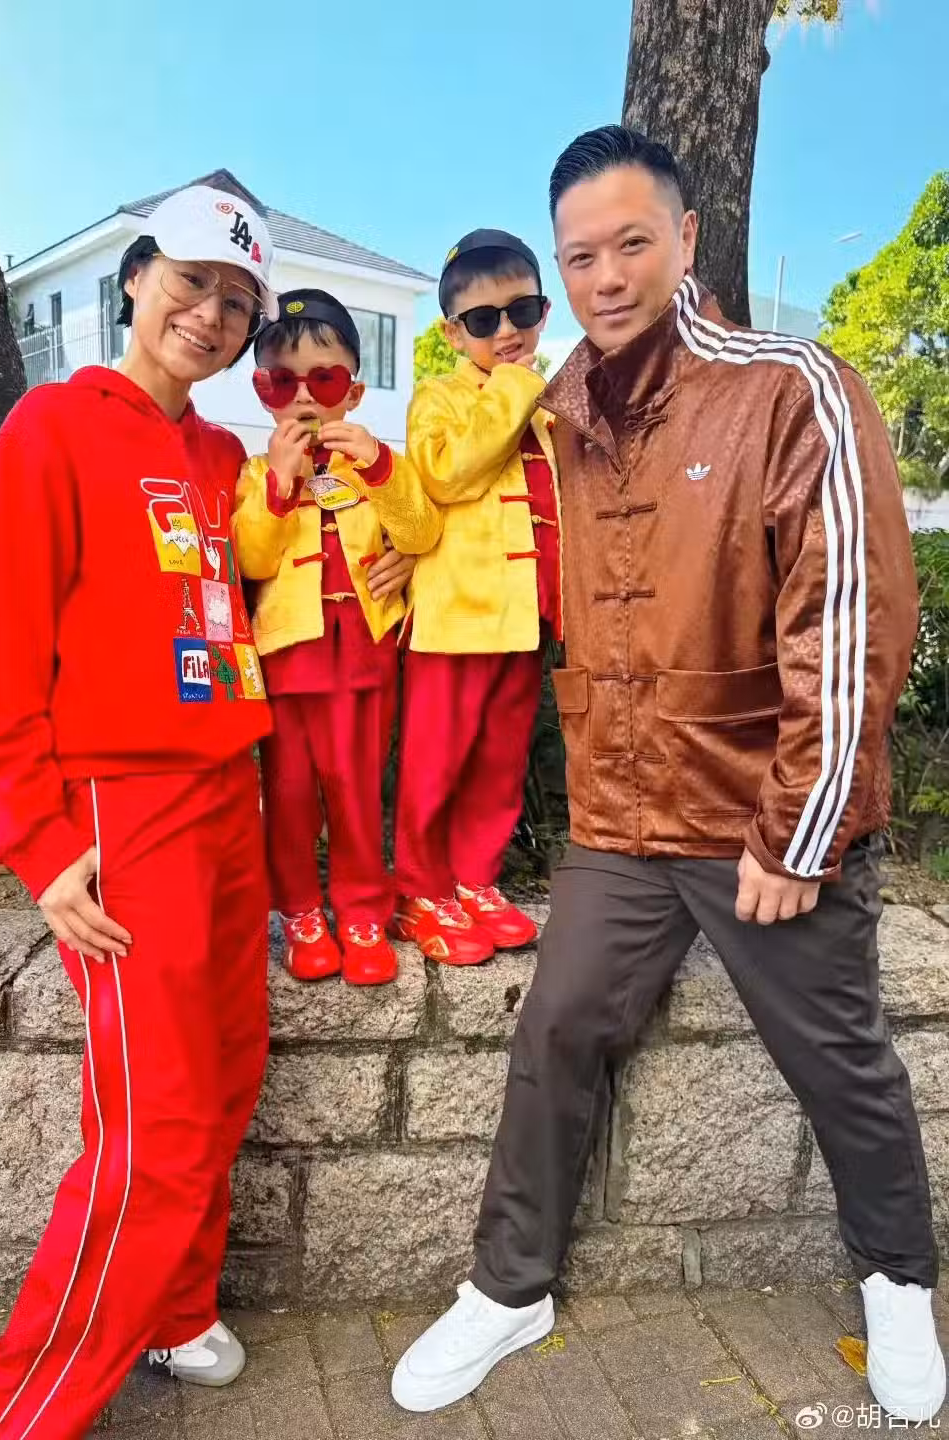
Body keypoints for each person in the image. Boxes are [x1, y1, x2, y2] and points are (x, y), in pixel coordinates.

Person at [393, 127, 945, 1426]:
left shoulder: (789, 385)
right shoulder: (561, 408)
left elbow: (851, 619)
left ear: (687, 239)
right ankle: (508, 1287)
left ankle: (898, 1279)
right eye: (580, 256)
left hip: (762, 817)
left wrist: (800, 832)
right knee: (557, 1030)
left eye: (632, 243)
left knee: (838, 1054)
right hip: (622, 816)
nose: (606, 277)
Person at [0, 185, 280, 1440]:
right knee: (155, 1125)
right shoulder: (52, 427)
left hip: (228, 794)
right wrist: (39, 841)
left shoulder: (222, 458)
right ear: (137, 277)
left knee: (226, 1074)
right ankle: (17, 1413)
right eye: (192, 282)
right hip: (124, 806)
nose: (211, 314)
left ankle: (174, 1310)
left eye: (238, 302)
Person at [235, 289, 441, 984]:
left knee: (355, 794)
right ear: (262, 392)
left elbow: (420, 531)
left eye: (322, 381)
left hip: (362, 660)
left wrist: (381, 469)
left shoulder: (376, 466)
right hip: (287, 663)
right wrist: (279, 486)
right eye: (281, 382)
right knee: (290, 798)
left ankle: (361, 913)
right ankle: (299, 912)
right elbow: (252, 559)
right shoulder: (255, 474)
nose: (302, 397)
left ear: (351, 393)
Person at [393, 229, 561, 965]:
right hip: (456, 621)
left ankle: (474, 880)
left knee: (498, 761)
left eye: (522, 311)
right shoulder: (439, 399)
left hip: (524, 618)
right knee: (437, 761)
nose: (507, 331)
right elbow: (446, 474)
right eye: (484, 319)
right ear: (452, 333)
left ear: (544, 310)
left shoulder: (550, 411)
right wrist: (514, 390)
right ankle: (419, 891)